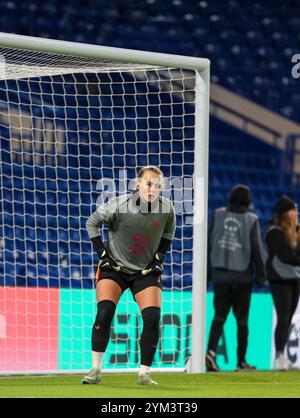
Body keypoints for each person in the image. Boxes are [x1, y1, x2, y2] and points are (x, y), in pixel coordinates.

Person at [82, 166, 176, 385]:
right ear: (138, 185)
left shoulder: (167, 209)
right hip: (113, 268)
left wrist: (159, 258)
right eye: (149, 184)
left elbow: (169, 232)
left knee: (152, 318)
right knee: (105, 312)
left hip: (144, 272)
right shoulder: (119, 205)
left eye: (158, 186)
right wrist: (102, 253)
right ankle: (95, 370)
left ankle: (144, 373)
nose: (153, 189)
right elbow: (92, 222)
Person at [206, 184, 265, 372]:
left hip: (220, 274)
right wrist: (261, 275)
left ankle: (211, 354)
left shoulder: (217, 214)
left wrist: (207, 273)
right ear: (247, 201)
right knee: (242, 321)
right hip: (242, 277)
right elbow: (257, 248)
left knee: (219, 317)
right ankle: (241, 362)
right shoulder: (251, 219)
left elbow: (208, 243)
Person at [264, 195, 300, 371]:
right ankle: (278, 356)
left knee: (288, 319)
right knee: (284, 318)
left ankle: (282, 356)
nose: (297, 213)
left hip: (294, 278)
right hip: (279, 279)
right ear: (286, 213)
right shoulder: (274, 232)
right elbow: (286, 256)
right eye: (294, 210)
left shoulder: (294, 231)